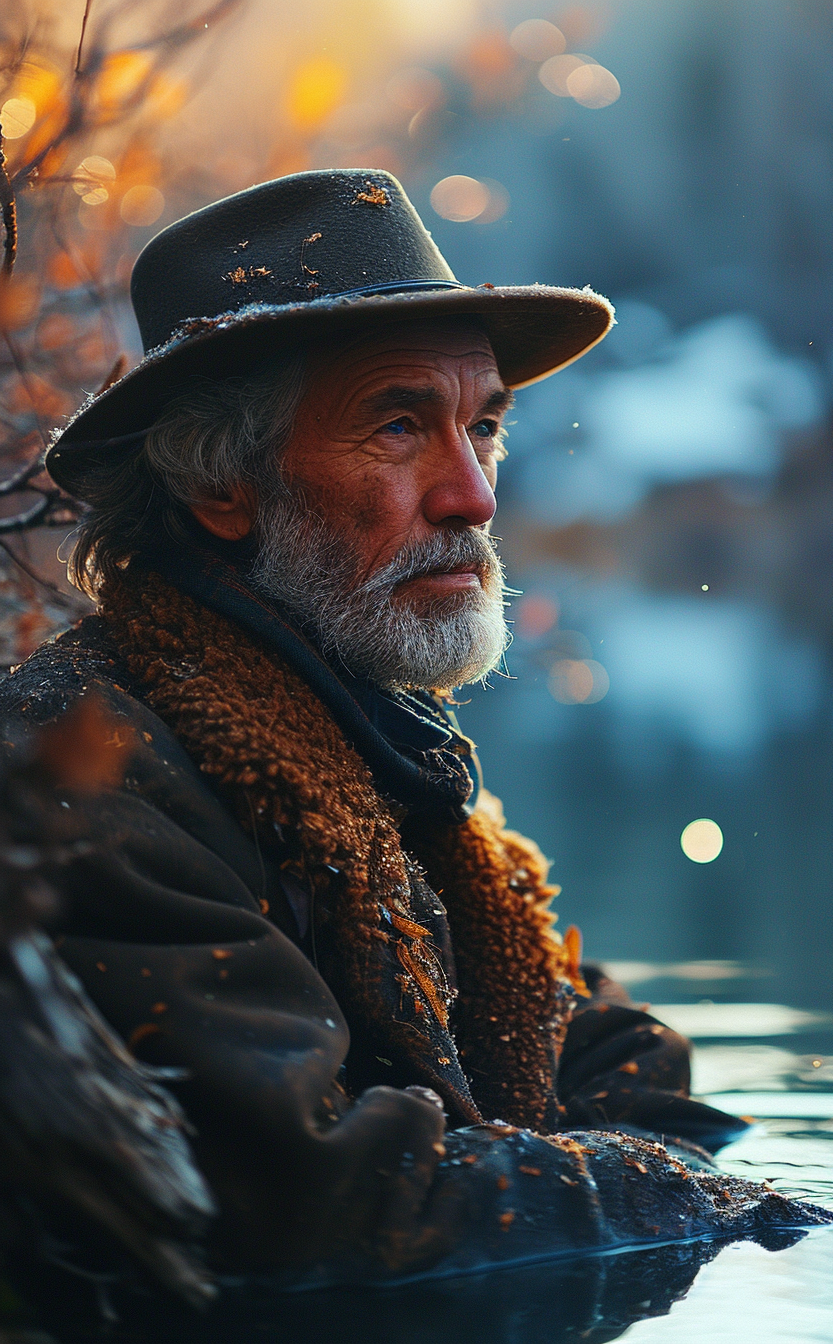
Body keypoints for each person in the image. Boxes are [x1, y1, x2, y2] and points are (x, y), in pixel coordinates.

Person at [0, 170, 754, 1278]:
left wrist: (623, 1176)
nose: (473, 496)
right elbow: (322, 1201)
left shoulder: (388, 753)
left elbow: (630, 1069)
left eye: (483, 425)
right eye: (398, 425)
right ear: (221, 482)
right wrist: (673, 1195)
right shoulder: (83, 773)